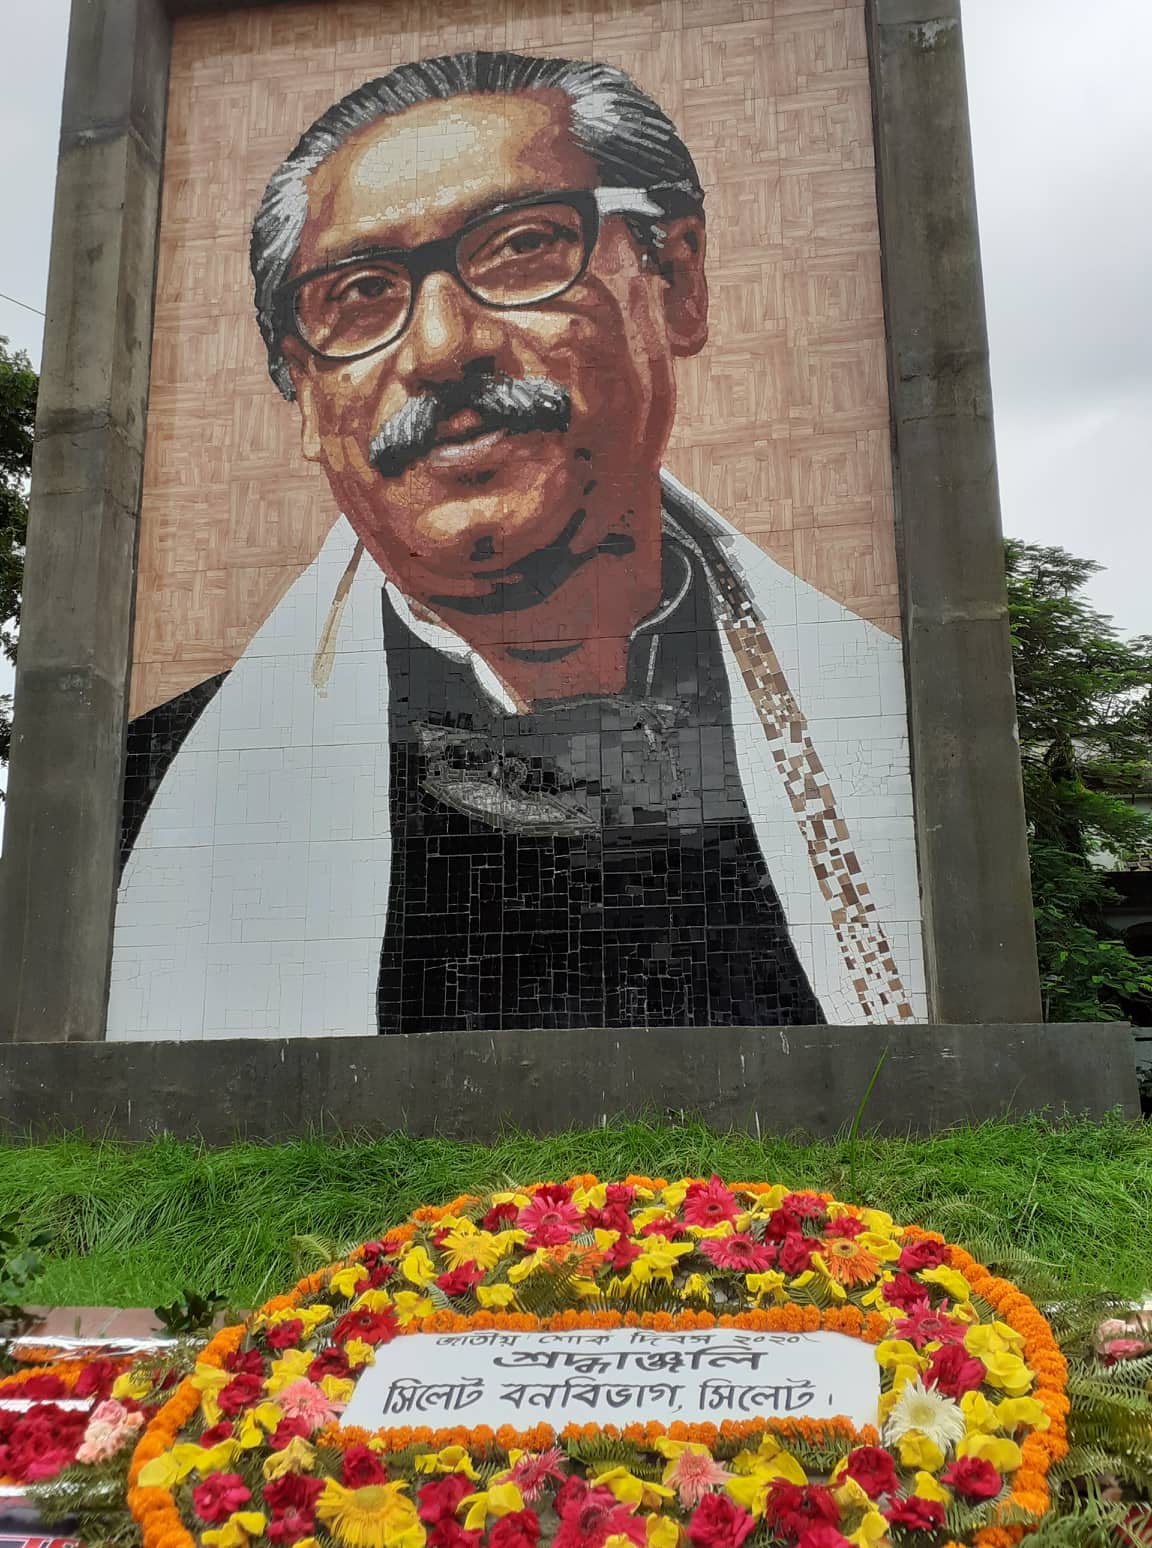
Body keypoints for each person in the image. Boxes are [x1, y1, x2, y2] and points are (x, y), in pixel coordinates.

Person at [110, 52, 922, 1039]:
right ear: (305, 394)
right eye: (359, 294)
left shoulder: (906, 737)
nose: (443, 348)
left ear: (678, 282)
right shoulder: (144, 797)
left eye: (521, 245)